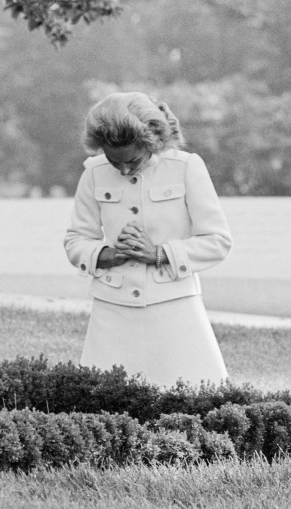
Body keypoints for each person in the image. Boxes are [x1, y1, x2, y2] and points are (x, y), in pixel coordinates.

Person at [64, 92, 232, 387]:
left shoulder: (186, 167)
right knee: (104, 404)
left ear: (150, 143)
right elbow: (76, 240)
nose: (124, 170)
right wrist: (111, 255)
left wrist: (158, 253)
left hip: (175, 305)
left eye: (132, 160)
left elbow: (217, 240)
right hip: (112, 308)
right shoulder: (93, 173)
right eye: (114, 162)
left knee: (194, 395)